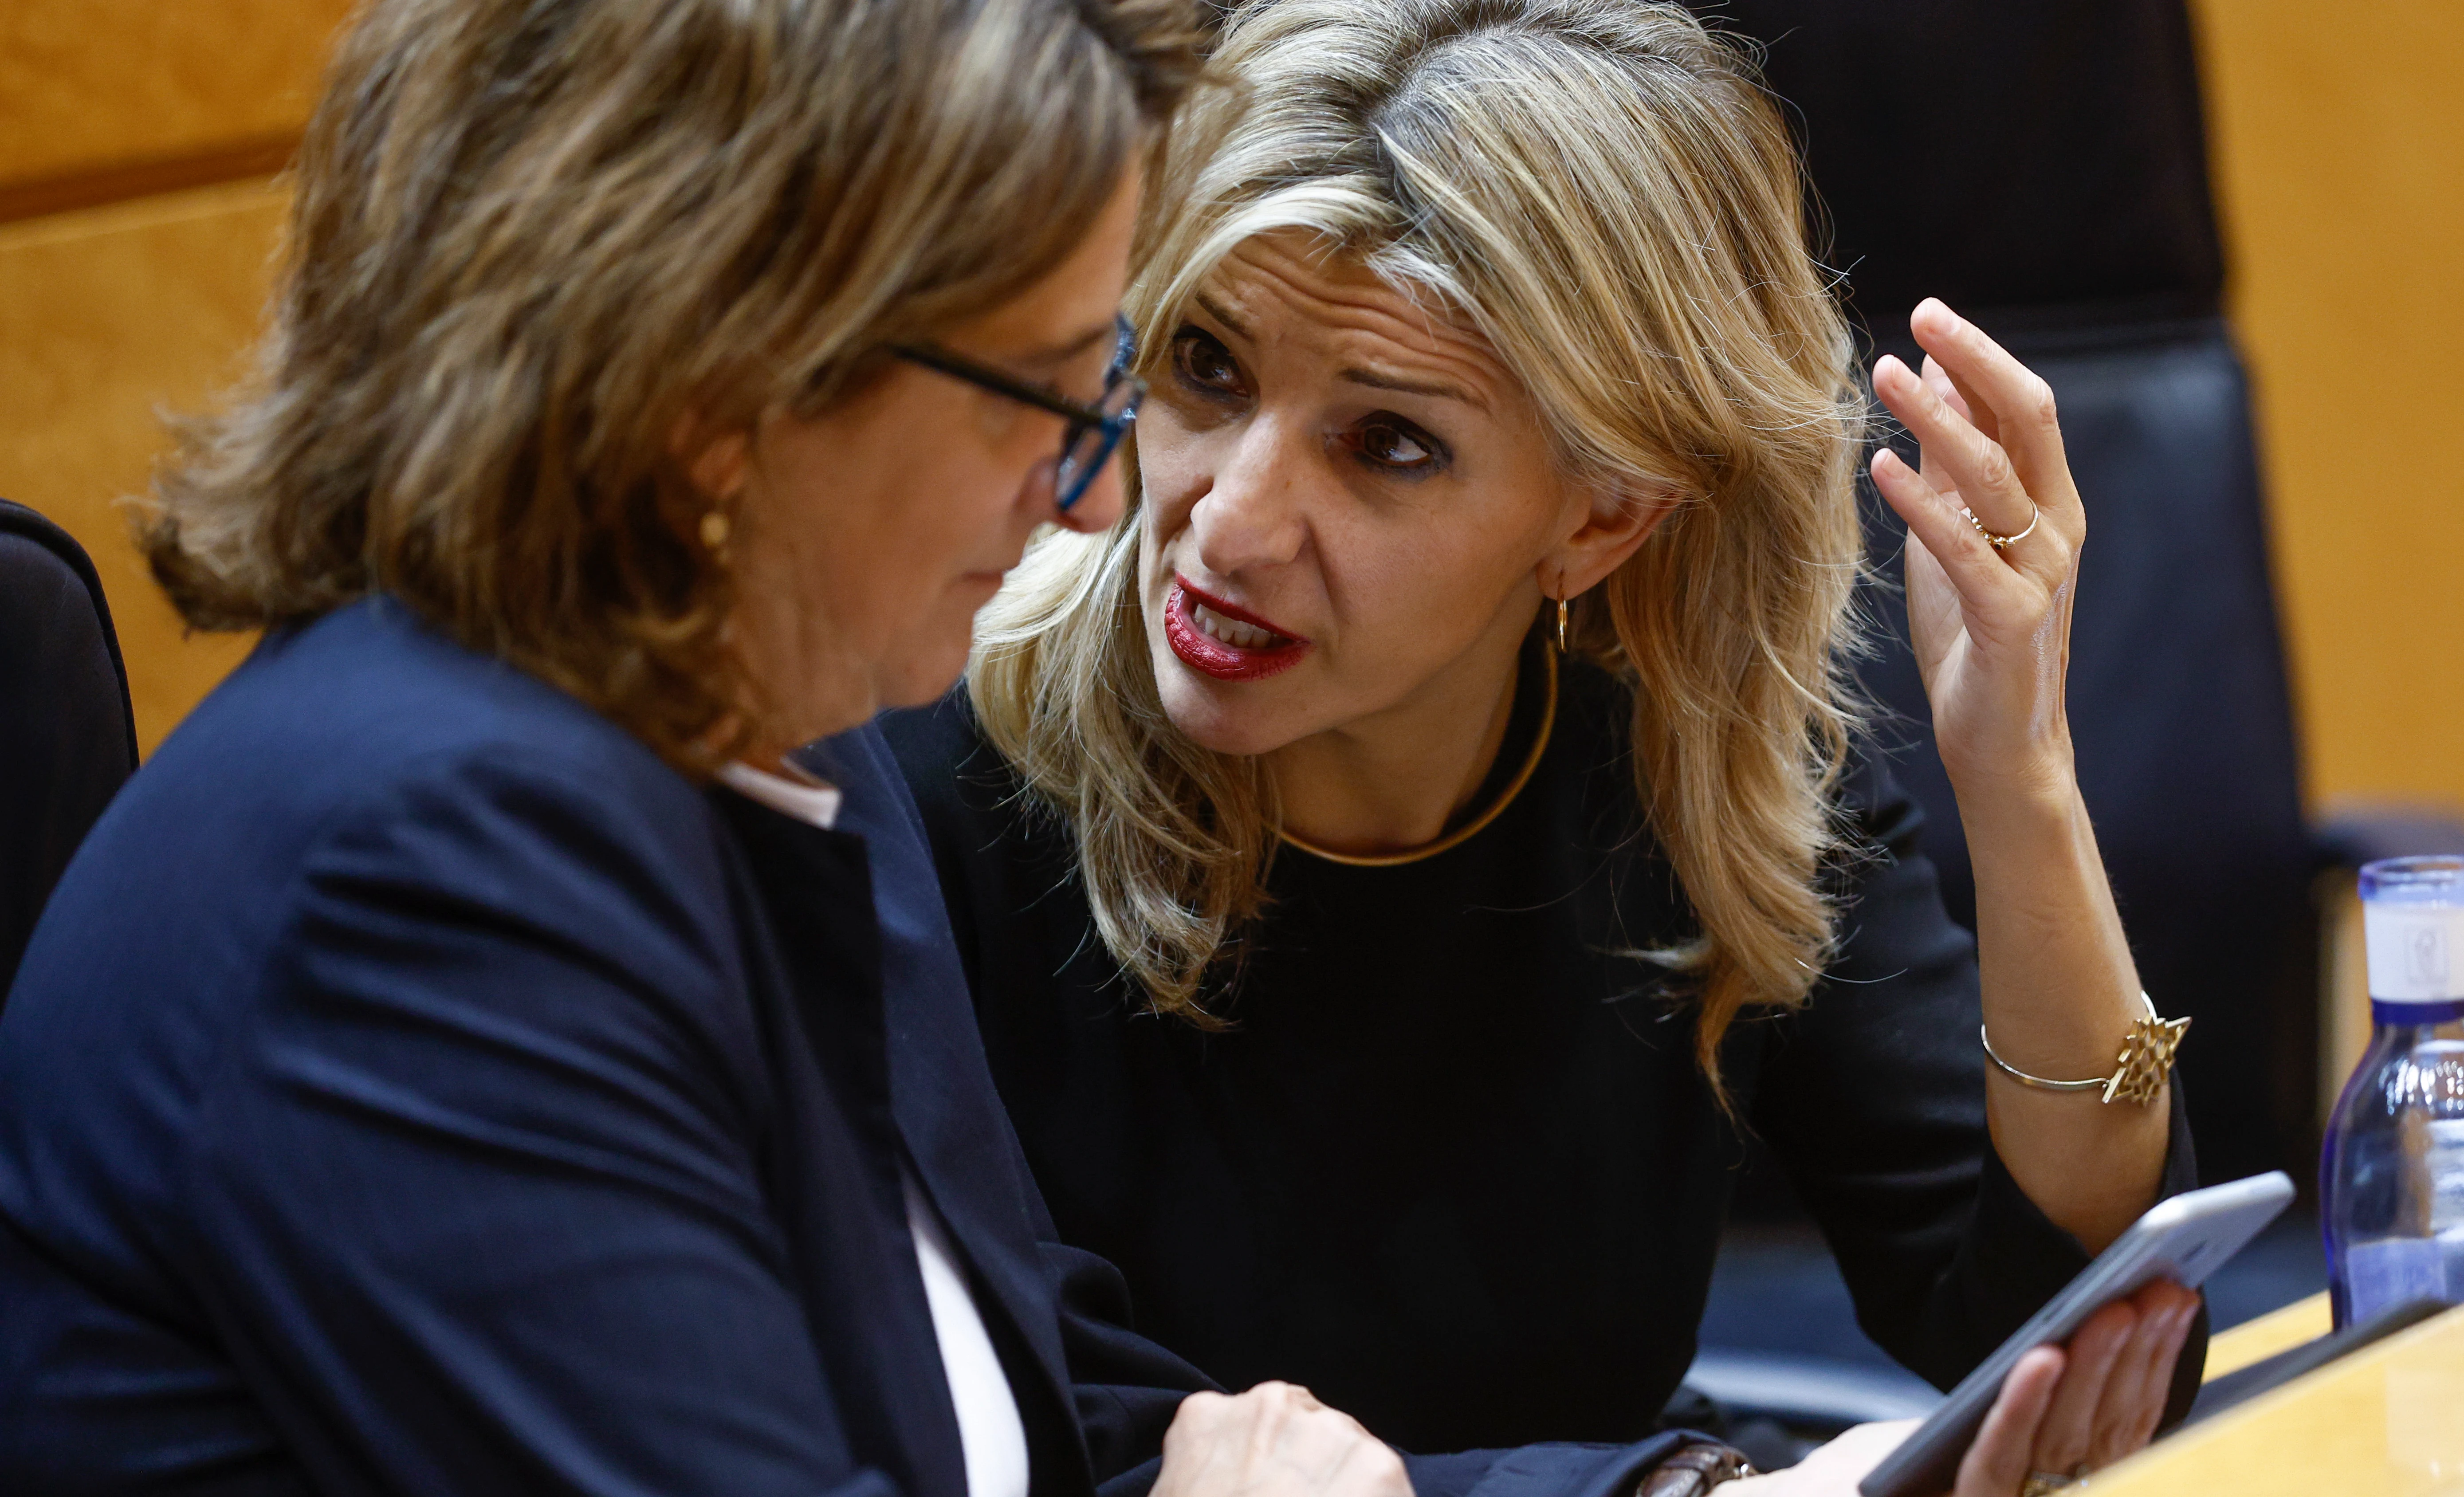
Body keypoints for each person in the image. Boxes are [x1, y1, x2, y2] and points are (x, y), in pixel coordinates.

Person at [0, 3, 1418, 1494]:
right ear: (720, 389)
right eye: (1050, 395)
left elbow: (1002, 1424)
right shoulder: (434, 884)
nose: (1086, 500)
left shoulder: (756, 742)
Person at [855, 0, 2205, 1489]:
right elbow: (1023, 1422)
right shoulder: (926, 763)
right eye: (1206, 368)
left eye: (1386, 443)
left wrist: (2020, 776)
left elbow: (2068, 1322)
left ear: (1602, 516)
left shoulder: (1689, 778)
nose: (1227, 524)